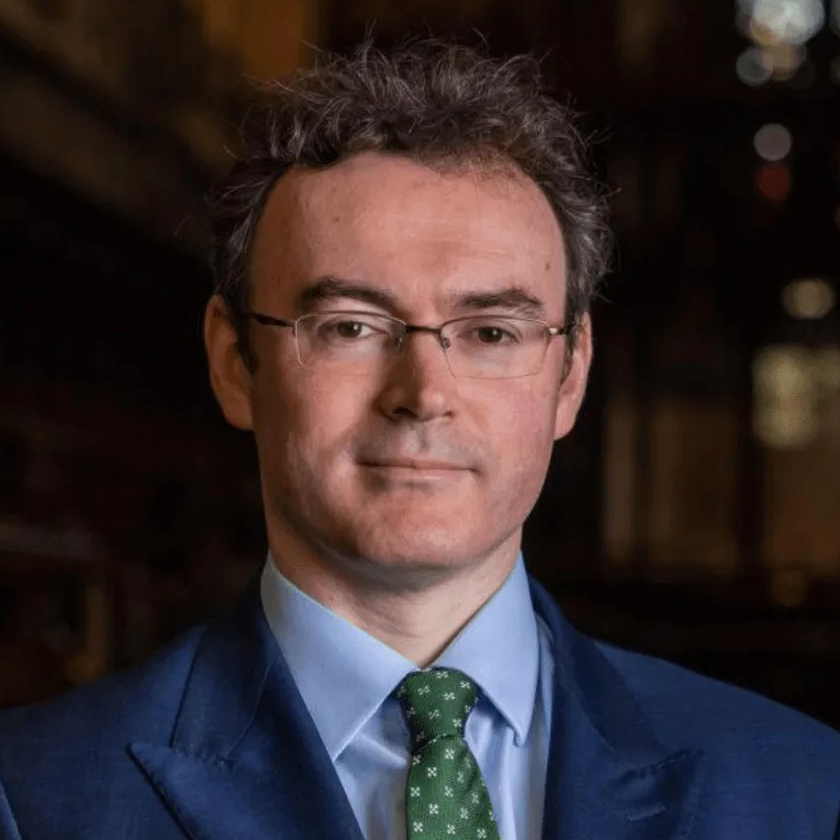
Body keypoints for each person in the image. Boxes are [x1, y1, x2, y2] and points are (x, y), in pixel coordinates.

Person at [0, 38, 838, 840]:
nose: (425, 396)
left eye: (493, 332)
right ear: (233, 361)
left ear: (570, 375)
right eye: (351, 326)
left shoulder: (804, 787)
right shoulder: (34, 798)